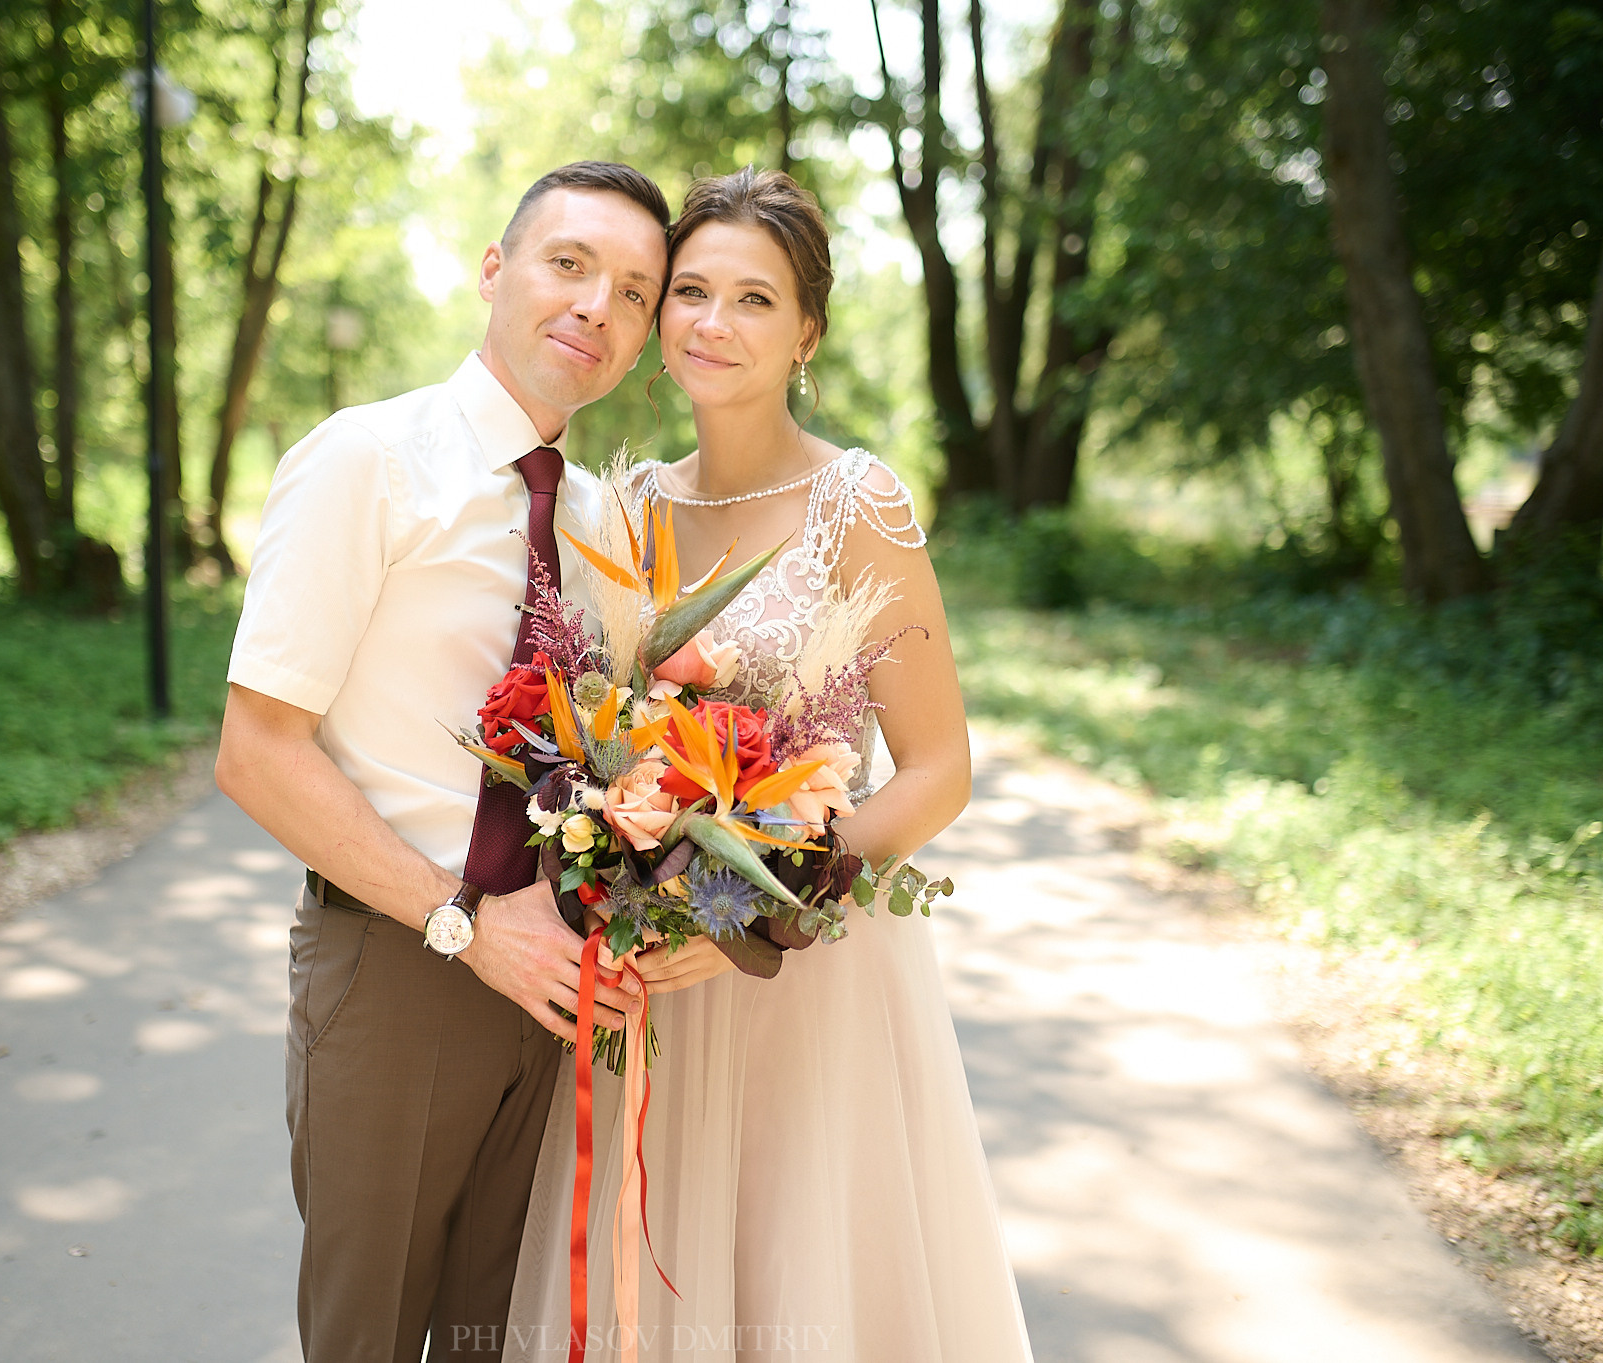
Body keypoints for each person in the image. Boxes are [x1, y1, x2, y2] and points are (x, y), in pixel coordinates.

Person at [504, 168, 1035, 1361]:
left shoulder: (862, 503)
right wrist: (633, 870)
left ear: (806, 332)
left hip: (811, 967)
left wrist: (764, 892)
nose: (710, 322)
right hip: (659, 977)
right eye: (689, 291)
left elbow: (937, 768)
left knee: (810, 1273)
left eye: (753, 298)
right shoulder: (626, 502)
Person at [215, 161, 671, 1363]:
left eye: (633, 291)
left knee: (496, 1342)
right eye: (569, 265)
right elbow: (256, 753)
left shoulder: (600, 524)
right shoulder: (364, 460)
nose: (595, 307)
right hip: (398, 966)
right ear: (494, 269)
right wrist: (466, 921)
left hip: (550, 996)